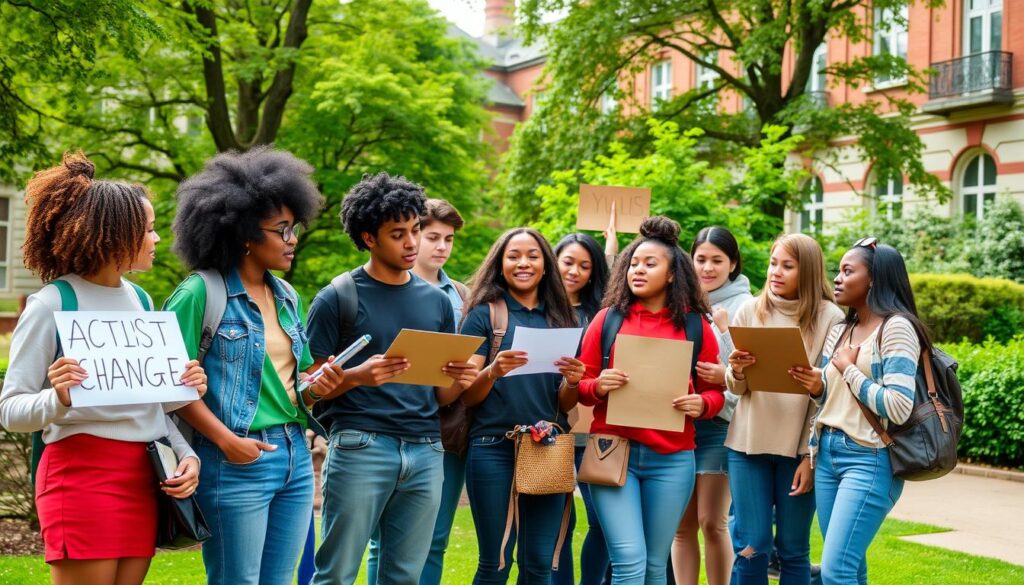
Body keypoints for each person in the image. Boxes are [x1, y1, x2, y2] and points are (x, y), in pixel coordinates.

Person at [0, 152, 207, 585]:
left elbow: (153, 408)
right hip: (79, 477)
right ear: (115, 234)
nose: (155, 239)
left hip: (145, 476)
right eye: (147, 229)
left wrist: (186, 450)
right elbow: (11, 410)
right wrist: (57, 396)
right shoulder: (53, 303)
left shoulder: (143, 301)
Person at [165, 147, 346, 585]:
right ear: (246, 234)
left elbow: (298, 383)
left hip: (295, 457)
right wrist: (226, 442)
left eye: (294, 227)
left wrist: (323, 383)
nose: (292, 240)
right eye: (281, 230)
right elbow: (171, 386)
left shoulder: (286, 295)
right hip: (234, 459)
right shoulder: (199, 294)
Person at [306, 173, 478, 585]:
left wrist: (464, 378)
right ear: (368, 237)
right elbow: (308, 392)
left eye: (416, 230)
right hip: (361, 447)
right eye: (398, 234)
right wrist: (357, 376)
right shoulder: (337, 297)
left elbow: (439, 396)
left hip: (425, 451)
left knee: (404, 577)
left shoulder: (438, 302)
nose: (412, 243)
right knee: (337, 574)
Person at [577, 216, 725, 585]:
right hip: (613, 454)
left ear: (673, 275)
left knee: (655, 565)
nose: (637, 271)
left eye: (650, 264)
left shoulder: (696, 326)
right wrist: (598, 386)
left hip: (672, 460)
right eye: (633, 264)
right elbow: (580, 384)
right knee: (629, 559)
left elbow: (716, 393)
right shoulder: (607, 320)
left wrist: (702, 405)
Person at [459, 227, 584, 584]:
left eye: (532, 256)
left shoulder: (563, 319)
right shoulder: (484, 315)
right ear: (500, 264)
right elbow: (468, 396)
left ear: (546, 265)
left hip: (546, 447)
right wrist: (493, 371)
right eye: (513, 256)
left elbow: (563, 402)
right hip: (493, 448)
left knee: (539, 564)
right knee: (495, 562)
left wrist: (573, 381)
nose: (523, 263)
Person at [797, 238, 922, 585]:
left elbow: (898, 407)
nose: (837, 278)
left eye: (848, 271)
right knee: (851, 567)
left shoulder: (897, 328)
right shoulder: (841, 330)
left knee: (835, 571)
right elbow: (828, 398)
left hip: (869, 458)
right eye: (838, 270)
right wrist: (816, 383)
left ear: (874, 279)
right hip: (827, 455)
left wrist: (849, 370)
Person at [725, 233, 844, 585]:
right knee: (753, 545)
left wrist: (810, 457)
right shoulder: (751, 309)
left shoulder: (830, 318)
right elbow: (737, 389)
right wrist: (737, 370)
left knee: (793, 549)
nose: (776, 272)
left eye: (787, 266)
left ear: (806, 271)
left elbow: (831, 395)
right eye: (773, 263)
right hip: (747, 445)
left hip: (798, 451)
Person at [365, 198, 471, 585]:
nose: (441, 246)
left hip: (445, 428)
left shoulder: (461, 295)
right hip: (385, 425)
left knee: (435, 539)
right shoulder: (377, 286)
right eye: (432, 237)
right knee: (383, 541)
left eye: (449, 239)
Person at [670, 226, 753, 585]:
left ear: (732, 263)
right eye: (700, 259)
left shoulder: (747, 306)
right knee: (681, 525)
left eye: (717, 260)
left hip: (719, 424)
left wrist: (722, 341)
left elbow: (750, 373)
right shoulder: (678, 301)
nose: (707, 268)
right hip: (677, 422)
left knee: (711, 521)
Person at [553, 232, 613, 585]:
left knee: (604, 521)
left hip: (596, 433)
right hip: (553, 430)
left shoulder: (604, 316)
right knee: (558, 524)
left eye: (585, 265)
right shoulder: (538, 311)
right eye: (568, 262)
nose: (575, 271)